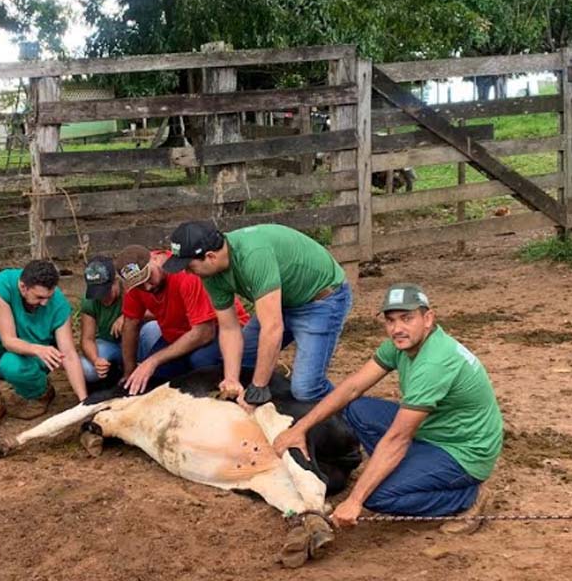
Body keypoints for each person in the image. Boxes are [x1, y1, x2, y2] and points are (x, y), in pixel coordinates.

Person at [273, 284, 503, 532]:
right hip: (435, 430)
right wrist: (301, 428)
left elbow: (397, 439)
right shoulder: (401, 346)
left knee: (378, 498)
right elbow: (352, 387)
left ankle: (468, 496)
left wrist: (355, 500)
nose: (397, 329)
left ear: (428, 318)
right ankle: (402, 470)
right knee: (356, 407)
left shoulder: (435, 363)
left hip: (464, 451)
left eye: (407, 318)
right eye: (391, 320)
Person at [164, 221, 352, 405]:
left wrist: (258, 386)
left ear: (211, 256)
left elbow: (272, 328)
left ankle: (353, 417)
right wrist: (231, 379)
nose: (188, 273)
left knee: (306, 389)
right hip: (279, 301)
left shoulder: (253, 256)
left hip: (319, 301)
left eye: (189, 266)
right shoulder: (210, 275)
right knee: (240, 363)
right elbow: (229, 328)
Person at [115, 244, 250, 395]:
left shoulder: (186, 274)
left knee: (200, 361)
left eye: (149, 277)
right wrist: (130, 370)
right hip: (178, 333)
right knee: (152, 377)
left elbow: (204, 333)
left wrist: (152, 361)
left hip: (220, 328)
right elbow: (131, 324)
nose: (147, 287)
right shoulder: (136, 287)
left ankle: (226, 392)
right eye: (139, 285)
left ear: (155, 258)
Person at [0, 260, 88, 429]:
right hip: (6, 341)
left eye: (49, 296)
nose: (45, 303)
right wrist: (37, 349)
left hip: (34, 358)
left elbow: (69, 353)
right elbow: (8, 340)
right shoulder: (1, 285)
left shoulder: (59, 305)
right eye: (39, 297)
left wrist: (84, 402)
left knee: (11, 364)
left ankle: (41, 393)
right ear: (23, 287)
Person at [79, 256, 125, 386]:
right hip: (109, 342)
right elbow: (87, 339)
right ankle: (114, 371)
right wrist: (96, 360)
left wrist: (127, 316)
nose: (103, 298)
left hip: (137, 343)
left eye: (106, 292)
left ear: (116, 282)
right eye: (98, 294)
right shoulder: (90, 301)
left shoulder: (129, 289)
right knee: (86, 369)